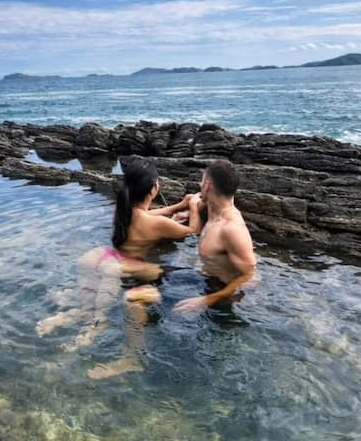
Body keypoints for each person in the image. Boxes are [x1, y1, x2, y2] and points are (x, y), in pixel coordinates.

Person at [37, 158, 202, 377]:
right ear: (153, 189)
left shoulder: (122, 210)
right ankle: (132, 357)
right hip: (136, 270)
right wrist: (193, 204)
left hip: (113, 259)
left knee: (102, 294)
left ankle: (82, 314)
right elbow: (192, 230)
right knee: (136, 304)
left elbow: (147, 214)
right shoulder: (155, 223)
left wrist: (177, 206)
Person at [173, 159, 256, 314]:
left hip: (223, 297)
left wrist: (206, 301)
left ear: (208, 185)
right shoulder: (212, 207)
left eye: (202, 181)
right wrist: (187, 213)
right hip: (205, 279)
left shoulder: (231, 229)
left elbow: (251, 276)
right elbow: (198, 204)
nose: (199, 185)